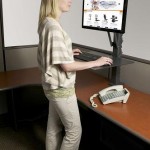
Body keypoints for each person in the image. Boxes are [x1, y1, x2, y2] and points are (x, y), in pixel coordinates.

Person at [37, 0, 113, 150]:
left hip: (51, 87)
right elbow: (66, 66)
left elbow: (50, 51)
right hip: (61, 90)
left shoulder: (46, 22)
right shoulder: (54, 27)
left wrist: (66, 53)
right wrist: (95, 63)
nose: (71, 1)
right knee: (74, 131)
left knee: (54, 127)